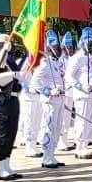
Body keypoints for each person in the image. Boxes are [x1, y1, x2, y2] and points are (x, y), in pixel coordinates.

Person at [29, 29, 66, 167]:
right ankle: (46, 156)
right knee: (49, 128)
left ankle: (52, 154)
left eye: (59, 47)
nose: (59, 50)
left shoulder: (57, 63)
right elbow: (35, 83)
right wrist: (49, 90)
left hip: (60, 100)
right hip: (50, 101)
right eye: (56, 48)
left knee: (57, 128)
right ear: (49, 48)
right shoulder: (44, 63)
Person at [0, 33, 22, 180]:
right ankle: (0, 167)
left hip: (14, 99)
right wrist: (3, 51)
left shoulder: (12, 61)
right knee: (3, 134)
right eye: (3, 45)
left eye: (9, 44)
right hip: (2, 99)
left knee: (11, 133)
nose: (9, 47)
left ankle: (7, 164)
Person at [65, 26, 92, 159]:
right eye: (90, 43)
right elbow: (68, 76)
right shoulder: (77, 57)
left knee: (90, 122)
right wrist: (81, 86)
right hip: (82, 96)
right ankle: (79, 147)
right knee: (82, 121)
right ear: (83, 42)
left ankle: (85, 145)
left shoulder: (90, 58)